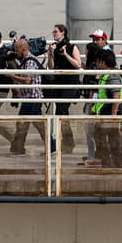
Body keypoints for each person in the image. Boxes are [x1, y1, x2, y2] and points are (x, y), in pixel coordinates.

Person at [46, 23, 82, 153]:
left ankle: (64, 144)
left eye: (56, 32)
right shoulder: (54, 48)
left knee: (61, 111)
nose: (54, 34)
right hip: (59, 83)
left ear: (63, 33)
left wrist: (66, 54)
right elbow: (51, 67)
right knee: (61, 113)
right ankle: (67, 144)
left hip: (70, 83)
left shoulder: (72, 46)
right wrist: (50, 53)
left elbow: (78, 65)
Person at [8, 37, 45, 156]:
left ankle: (18, 149)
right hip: (29, 98)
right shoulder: (25, 61)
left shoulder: (30, 61)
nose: (15, 53)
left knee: (24, 124)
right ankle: (52, 147)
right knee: (31, 124)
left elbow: (28, 80)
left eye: (16, 50)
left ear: (23, 49)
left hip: (33, 98)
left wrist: (12, 76)